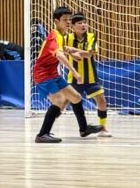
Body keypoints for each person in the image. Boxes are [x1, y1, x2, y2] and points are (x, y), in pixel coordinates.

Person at [29, 8, 98, 143]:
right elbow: (59, 54)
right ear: (56, 21)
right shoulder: (54, 36)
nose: (68, 22)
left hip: (53, 74)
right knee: (59, 101)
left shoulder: (62, 35)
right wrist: (74, 71)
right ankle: (42, 134)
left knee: (76, 97)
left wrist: (73, 54)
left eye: (69, 20)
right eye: (64, 20)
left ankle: (84, 129)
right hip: (43, 75)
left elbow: (63, 49)